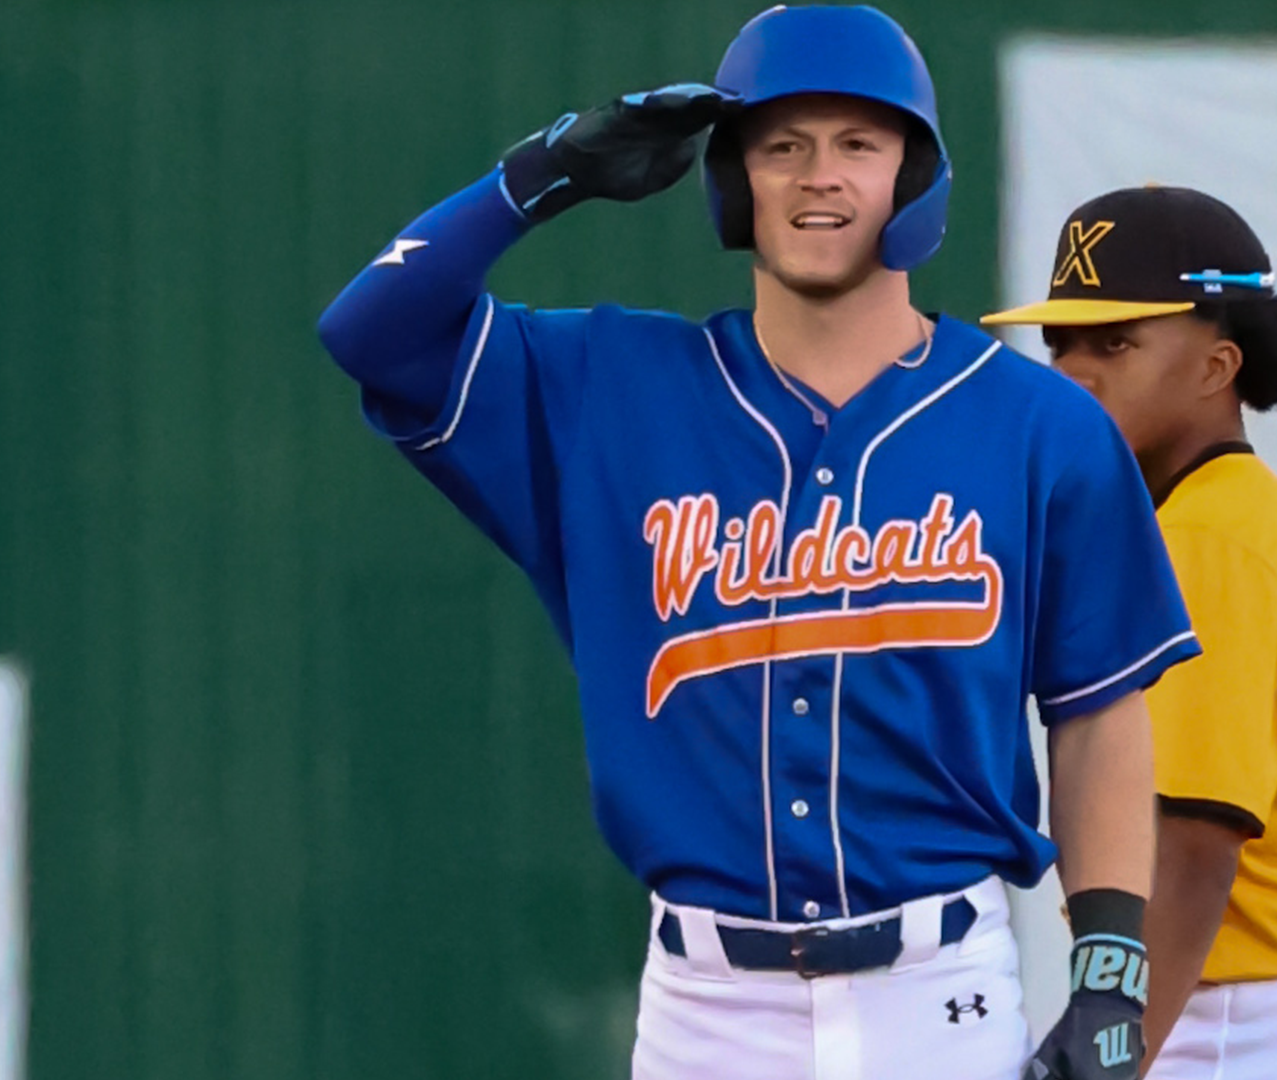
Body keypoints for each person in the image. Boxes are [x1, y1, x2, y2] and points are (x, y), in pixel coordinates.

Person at [315, 8, 1198, 1080]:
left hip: (940, 996)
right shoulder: (610, 393)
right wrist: (542, 174)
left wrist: (1111, 974)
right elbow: (373, 331)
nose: (818, 177)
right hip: (707, 1014)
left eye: (857, 144)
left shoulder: (1038, 425)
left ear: (915, 177)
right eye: (781, 146)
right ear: (734, 183)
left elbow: (1098, 712)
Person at [984, 185, 1277, 1080]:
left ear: (1216, 365)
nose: (1074, 370)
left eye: (1116, 342)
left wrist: (1117, 1047)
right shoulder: (1256, 517)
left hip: (1247, 1017)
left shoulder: (1208, 538)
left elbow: (1190, 847)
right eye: (1061, 342)